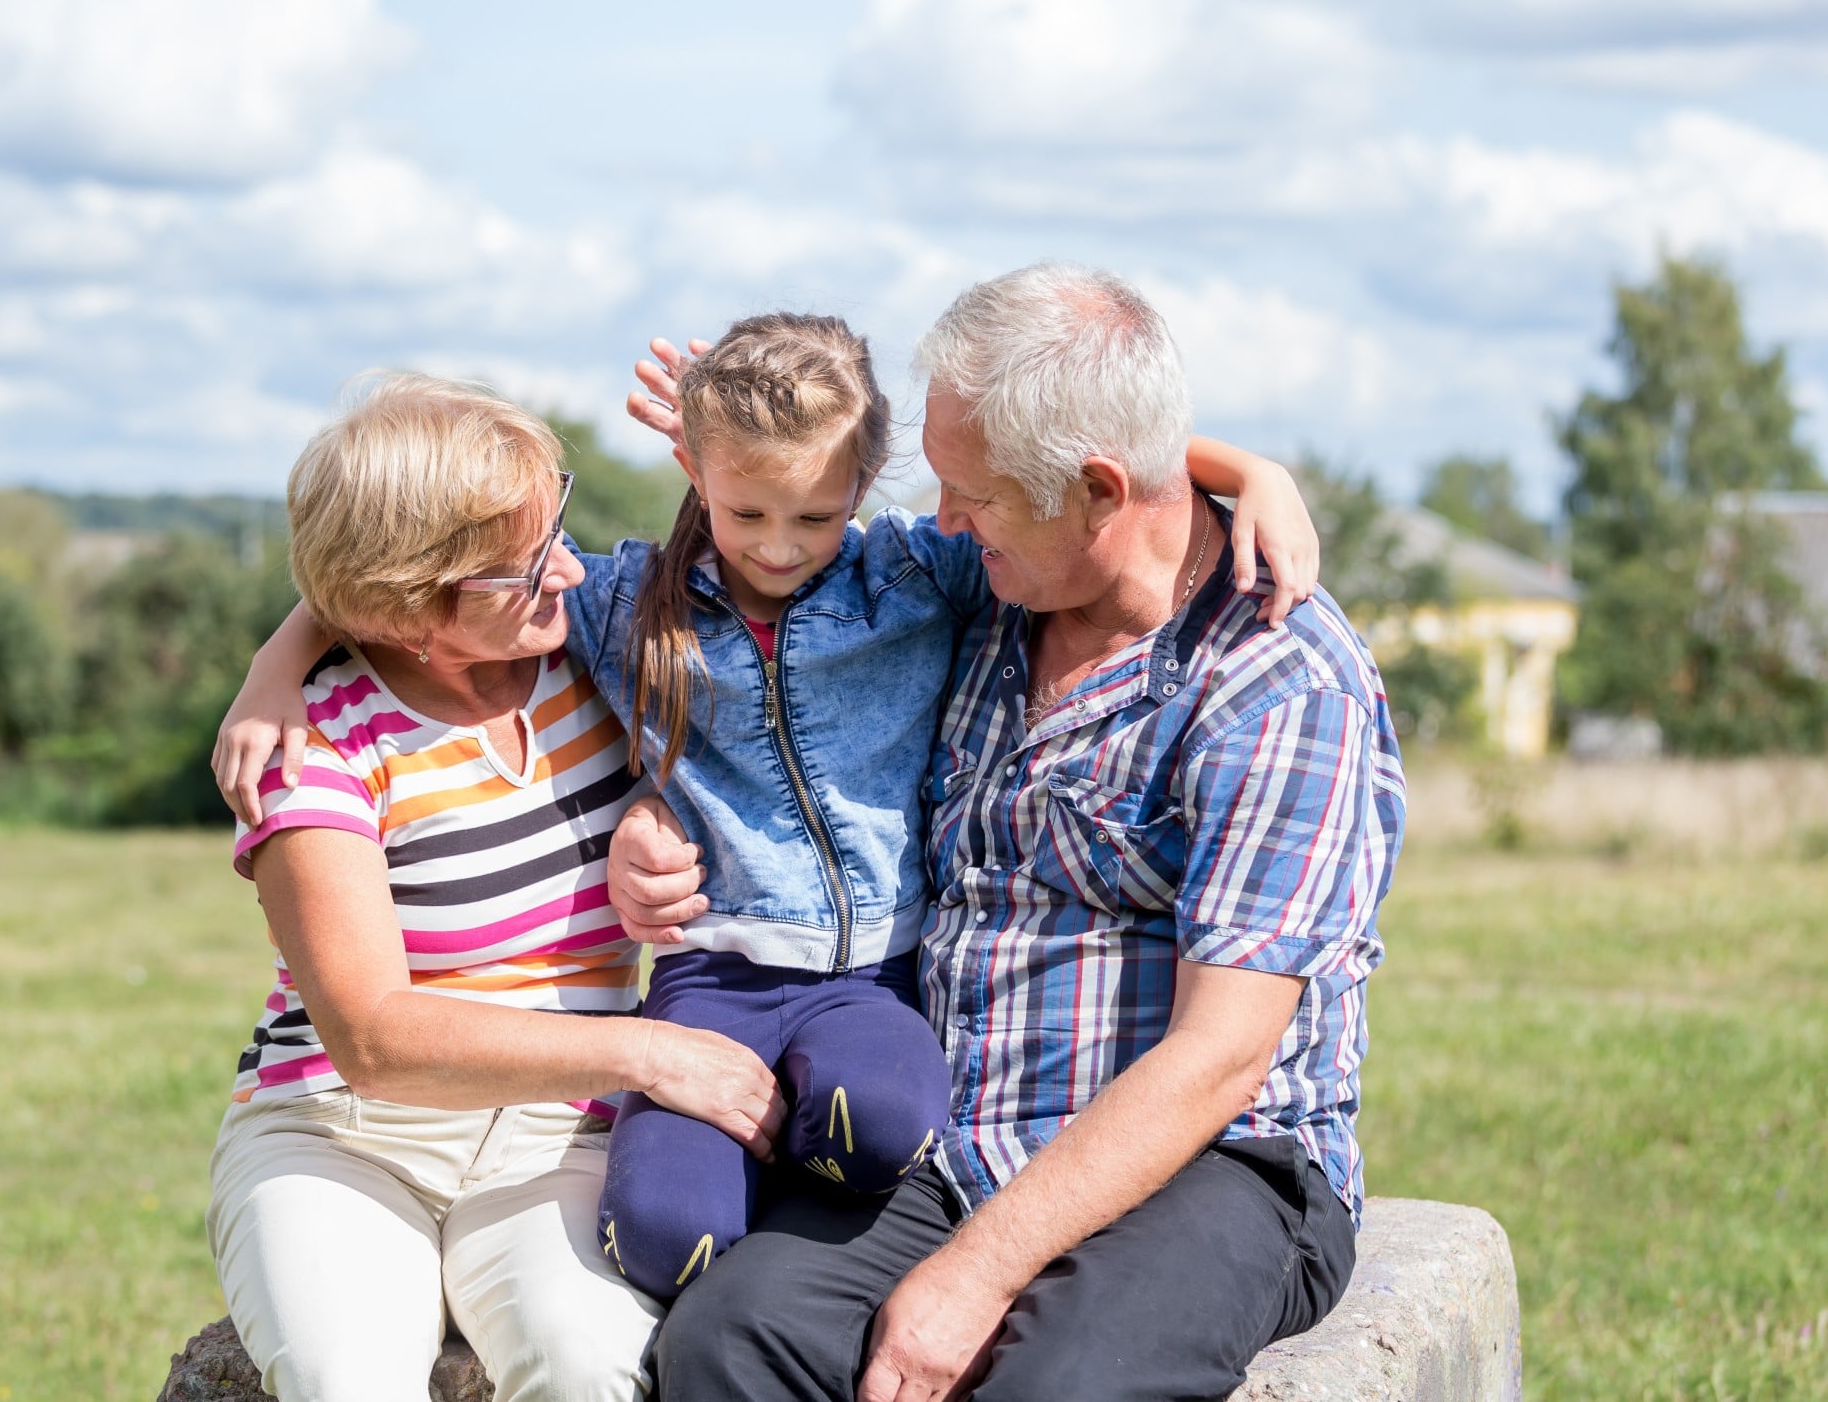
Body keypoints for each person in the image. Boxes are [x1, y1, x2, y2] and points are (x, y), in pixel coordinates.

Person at [217, 314, 1318, 1309]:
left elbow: (1075, 492)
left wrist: (1239, 469)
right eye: (745, 510)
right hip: (713, 975)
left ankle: (789, 1222)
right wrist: (281, 658)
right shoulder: (614, 606)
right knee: (662, 1237)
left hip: (876, 971)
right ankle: (729, 1235)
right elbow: (418, 571)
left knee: (879, 1125)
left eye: (817, 514)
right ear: (689, 466)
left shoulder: (918, 580)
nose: (781, 545)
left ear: (866, 480)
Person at [607, 264, 1405, 1402]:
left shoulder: (1276, 681)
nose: (938, 521)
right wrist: (654, 811)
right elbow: (752, 677)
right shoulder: (986, 590)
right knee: (731, 1335)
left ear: (1093, 492)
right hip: (961, 1132)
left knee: (1055, 1387)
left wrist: (975, 1273)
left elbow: (1219, 1057)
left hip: (1212, 1162)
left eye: (968, 495)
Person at [202, 373, 791, 1402]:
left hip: (556, 1133)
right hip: (344, 1135)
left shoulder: (594, 653)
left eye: (553, 529)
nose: (565, 569)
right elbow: (374, 1040)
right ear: (403, 605)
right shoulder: (313, 743)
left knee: (589, 1366)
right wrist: (647, 1051)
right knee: (347, 1381)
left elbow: (800, 564)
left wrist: (655, 809)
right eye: (517, 570)